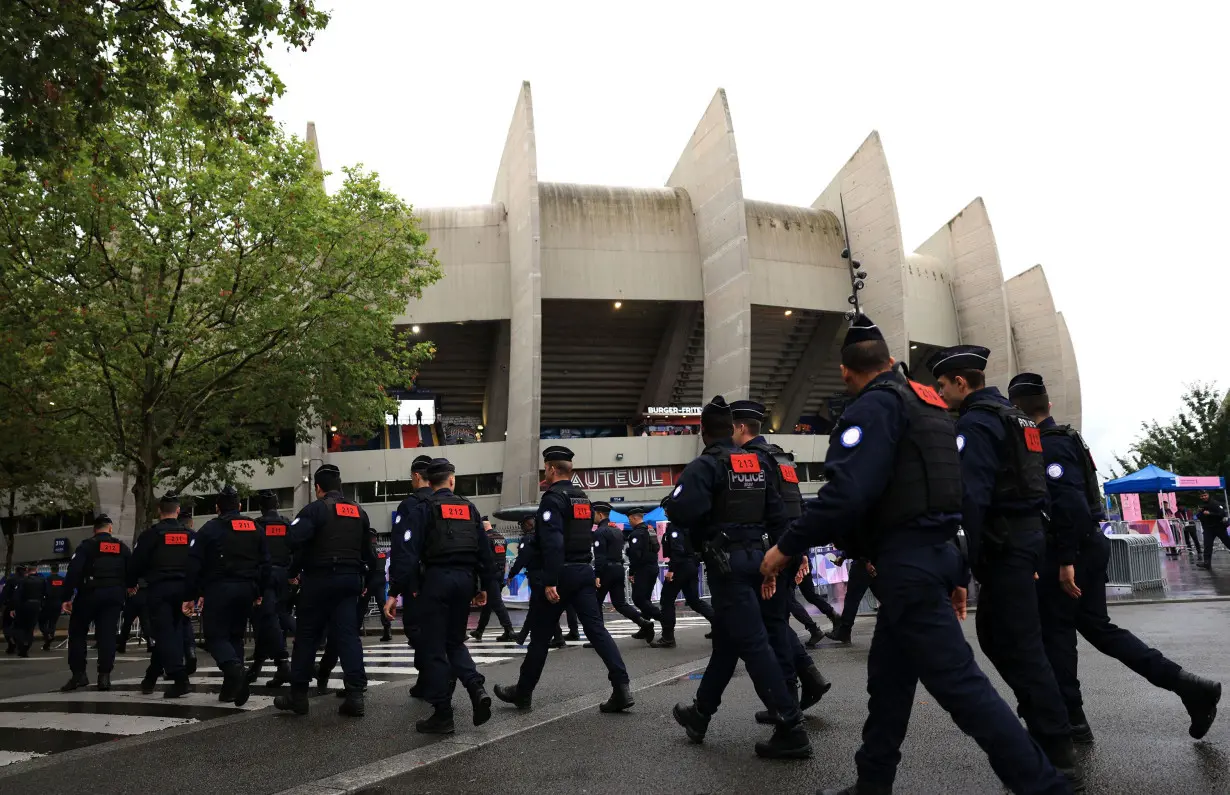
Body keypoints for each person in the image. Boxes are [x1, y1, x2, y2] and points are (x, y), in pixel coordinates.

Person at [760, 315, 1067, 795]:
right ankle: (872, 782)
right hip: (934, 555)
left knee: (963, 688)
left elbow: (846, 495)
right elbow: (956, 494)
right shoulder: (930, 407)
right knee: (889, 682)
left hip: (907, 565)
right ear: (890, 360)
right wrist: (959, 569)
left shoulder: (875, 407)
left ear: (846, 372)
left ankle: (1045, 786)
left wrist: (784, 548)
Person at [1011, 372, 1222, 743]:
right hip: (1088, 544)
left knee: (1056, 634)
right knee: (1099, 630)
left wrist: (1063, 561)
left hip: (1070, 550)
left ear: (1019, 409)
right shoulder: (1069, 438)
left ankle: (1072, 721)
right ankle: (1188, 686)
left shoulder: (1049, 445)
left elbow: (1069, 505)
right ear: (1049, 403)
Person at [929, 344, 1080, 787]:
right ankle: (1044, 721)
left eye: (942, 385)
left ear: (961, 382)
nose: (941, 393)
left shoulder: (977, 423)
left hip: (1005, 542)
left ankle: (1056, 745)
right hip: (1026, 538)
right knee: (998, 636)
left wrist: (960, 565)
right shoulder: (1018, 419)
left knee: (1023, 646)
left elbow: (971, 496)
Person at [665, 397, 811, 760]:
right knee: (729, 641)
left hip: (726, 565)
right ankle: (701, 714)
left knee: (753, 644)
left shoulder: (705, 465)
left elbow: (683, 511)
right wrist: (776, 563)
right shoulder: (761, 461)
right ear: (732, 429)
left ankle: (790, 727)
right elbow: (778, 514)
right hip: (761, 559)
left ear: (703, 432)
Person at [493, 446, 633, 714]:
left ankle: (523, 693)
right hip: (583, 572)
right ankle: (622, 687)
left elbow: (554, 541)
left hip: (561, 574)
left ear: (551, 469)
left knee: (541, 637)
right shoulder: (583, 499)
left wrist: (550, 580)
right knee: (597, 631)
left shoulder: (553, 499)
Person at [731, 399, 831, 723]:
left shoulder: (752, 460)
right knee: (774, 623)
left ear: (740, 427)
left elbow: (760, 511)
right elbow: (795, 506)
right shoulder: (782, 458)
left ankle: (786, 706)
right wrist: (797, 551)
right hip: (785, 548)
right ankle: (805, 684)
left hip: (767, 554)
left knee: (770, 628)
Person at [275, 463, 377, 717]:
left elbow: (292, 539)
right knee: (348, 636)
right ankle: (355, 695)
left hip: (319, 581)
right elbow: (369, 554)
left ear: (318, 488)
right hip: (349, 580)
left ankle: (298, 695)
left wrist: (293, 568)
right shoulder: (358, 512)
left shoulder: (315, 509)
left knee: (307, 636)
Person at [403, 458, 496, 733]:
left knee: (433, 648)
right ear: (452, 480)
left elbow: (408, 554)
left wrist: (397, 590)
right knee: (455, 643)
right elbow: (484, 554)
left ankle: (443, 713)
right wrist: (485, 587)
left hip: (435, 581)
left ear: (428, 482)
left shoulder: (423, 508)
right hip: (465, 582)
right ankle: (475, 686)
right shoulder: (470, 508)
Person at [185, 485, 268, 707]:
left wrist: (192, 594)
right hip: (248, 589)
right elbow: (265, 562)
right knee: (235, 636)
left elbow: (194, 563)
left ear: (217, 508)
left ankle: (236, 672)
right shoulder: (254, 527)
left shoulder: (210, 529)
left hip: (220, 589)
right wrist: (260, 591)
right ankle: (230, 689)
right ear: (240, 507)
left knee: (215, 637)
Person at [129, 492, 195, 698]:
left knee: (165, 633)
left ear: (159, 511)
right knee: (171, 633)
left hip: (160, 589)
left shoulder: (151, 535)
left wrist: (131, 584)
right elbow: (200, 563)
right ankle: (151, 677)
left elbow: (135, 563)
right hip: (184, 590)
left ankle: (179, 677)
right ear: (177, 511)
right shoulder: (190, 535)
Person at [62, 514, 132, 692]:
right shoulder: (121, 547)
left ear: (94, 530)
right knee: (107, 635)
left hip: (89, 595)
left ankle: (79, 674)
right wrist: (129, 587)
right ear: (110, 528)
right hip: (114, 596)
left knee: (78, 633)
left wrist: (66, 597)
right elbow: (131, 569)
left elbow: (73, 572)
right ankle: (104, 677)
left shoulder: (87, 546)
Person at [386, 454, 435, 697]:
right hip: (444, 578)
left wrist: (394, 589)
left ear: (416, 476)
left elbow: (401, 550)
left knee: (415, 627)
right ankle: (427, 677)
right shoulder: (445, 501)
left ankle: (432, 675)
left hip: (417, 579)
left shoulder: (409, 505)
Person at [247, 489, 295, 687]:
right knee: (275, 619)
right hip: (284, 577)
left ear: (260, 507)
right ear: (277, 505)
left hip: (263, 577)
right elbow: (295, 548)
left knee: (267, 620)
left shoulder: (256, 525)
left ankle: (282, 663)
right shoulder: (286, 524)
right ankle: (262, 666)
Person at [591, 502, 654, 645]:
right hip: (618, 568)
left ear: (600, 514)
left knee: (596, 602)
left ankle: (599, 638)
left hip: (606, 570)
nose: (592, 516)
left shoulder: (600, 532)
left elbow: (600, 556)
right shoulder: (617, 530)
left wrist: (597, 574)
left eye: (594, 513)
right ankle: (643, 622)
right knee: (620, 603)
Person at [510, 516, 576, 649]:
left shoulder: (529, 539)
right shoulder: (546, 537)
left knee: (537, 606)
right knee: (544, 606)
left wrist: (512, 574)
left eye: (523, 525)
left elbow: (522, 558)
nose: (523, 528)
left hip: (537, 576)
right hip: (549, 575)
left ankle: (524, 636)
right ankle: (557, 637)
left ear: (528, 525)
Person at [651, 521, 715, 648]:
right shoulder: (689, 525)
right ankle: (720, 625)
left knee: (667, 600)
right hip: (691, 565)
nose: (665, 512)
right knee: (694, 601)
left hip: (680, 567)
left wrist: (671, 570)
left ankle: (668, 637)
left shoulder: (675, 527)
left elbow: (677, 551)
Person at [472, 517, 515, 643]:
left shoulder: (485, 538)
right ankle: (479, 630)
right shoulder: (501, 538)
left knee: (496, 603)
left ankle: (509, 630)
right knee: (489, 603)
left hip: (489, 574)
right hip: (500, 573)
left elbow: (484, 557)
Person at [624, 507, 664, 634]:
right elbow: (656, 548)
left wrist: (631, 572)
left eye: (630, 519)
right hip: (653, 567)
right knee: (646, 598)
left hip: (643, 569)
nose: (629, 522)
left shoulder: (636, 534)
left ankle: (662, 618)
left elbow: (635, 555)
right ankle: (645, 628)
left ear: (635, 518)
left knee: (638, 598)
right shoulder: (650, 529)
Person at [826, 555, 873, 645]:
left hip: (863, 563)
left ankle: (844, 633)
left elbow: (858, 542)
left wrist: (866, 561)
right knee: (886, 597)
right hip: (880, 561)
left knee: (852, 599)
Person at [9, 564, 50, 658]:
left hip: (24, 605)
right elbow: (46, 594)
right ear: (36, 569)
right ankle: (27, 647)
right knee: (30, 628)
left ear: (27, 570)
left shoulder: (23, 580)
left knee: (20, 627)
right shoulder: (42, 580)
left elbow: (17, 595)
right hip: (36, 605)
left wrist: (14, 608)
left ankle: (21, 646)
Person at [1194, 490, 1230, 570]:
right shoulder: (1202, 505)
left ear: (1208, 495)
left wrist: (1210, 513)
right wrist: (1199, 513)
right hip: (1208, 529)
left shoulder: (1215, 503)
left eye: (1205, 495)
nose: (1204, 497)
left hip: (1219, 527)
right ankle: (1207, 563)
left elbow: (1222, 514)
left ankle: (1207, 563)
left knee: (1227, 542)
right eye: (1202, 496)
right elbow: (1200, 516)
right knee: (1207, 545)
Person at [40, 562, 66, 650]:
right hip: (58, 603)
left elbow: (46, 591)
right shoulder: (62, 579)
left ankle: (47, 636)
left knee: (43, 622)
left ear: (51, 570)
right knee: (53, 622)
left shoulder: (48, 579)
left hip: (48, 603)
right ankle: (51, 636)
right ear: (58, 570)